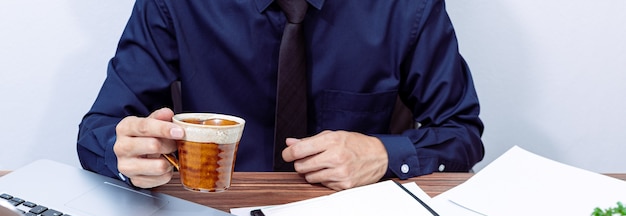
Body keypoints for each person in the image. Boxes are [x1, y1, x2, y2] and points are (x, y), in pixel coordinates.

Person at [77, 0, 484, 191]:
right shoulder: (174, 3)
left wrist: (383, 154)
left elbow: (462, 133)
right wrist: (123, 152)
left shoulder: (406, 6)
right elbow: (97, 130)